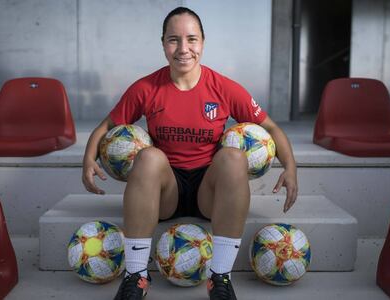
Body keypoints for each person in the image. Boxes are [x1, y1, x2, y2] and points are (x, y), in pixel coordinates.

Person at [82, 6, 297, 300]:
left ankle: (220, 279)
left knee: (233, 156)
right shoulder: (147, 88)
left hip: (208, 191)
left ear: (203, 43)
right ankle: (136, 277)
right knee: (148, 156)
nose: (183, 49)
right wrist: (88, 160)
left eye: (191, 39)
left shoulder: (223, 87)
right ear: (163, 44)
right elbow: (106, 126)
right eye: (174, 40)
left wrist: (290, 167)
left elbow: (271, 127)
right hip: (166, 190)